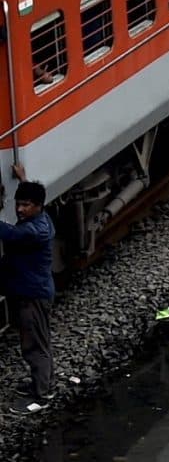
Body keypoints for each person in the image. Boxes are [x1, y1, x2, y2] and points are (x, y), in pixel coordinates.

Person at [0, 172, 57, 410]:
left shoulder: (35, 231)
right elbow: (31, 197)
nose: (20, 210)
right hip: (29, 291)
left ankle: (41, 395)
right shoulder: (39, 216)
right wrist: (23, 179)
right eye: (18, 204)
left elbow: (13, 234)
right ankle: (45, 384)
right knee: (38, 341)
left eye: (26, 205)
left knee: (35, 345)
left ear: (38, 207)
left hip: (32, 295)